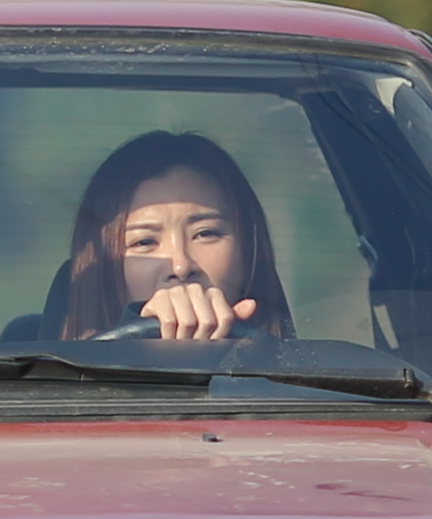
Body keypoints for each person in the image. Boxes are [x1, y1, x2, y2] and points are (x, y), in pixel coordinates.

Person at [32, 129, 292, 352]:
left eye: (205, 234)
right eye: (144, 242)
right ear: (102, 271)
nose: (180, 267)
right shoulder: (40, 408)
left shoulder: (317, 401)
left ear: (249, 252)